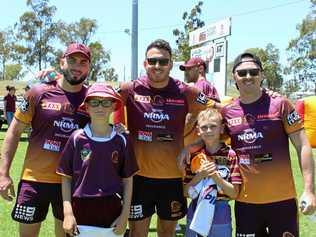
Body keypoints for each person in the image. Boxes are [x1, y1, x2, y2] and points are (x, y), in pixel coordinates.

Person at [179, 52, 316, 236]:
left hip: (282, 202)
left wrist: (308, 190)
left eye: (253, 72)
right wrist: (190, 147)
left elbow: (303, 146)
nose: (248, 76)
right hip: (246, 203)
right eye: (242, 73)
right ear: (234, 77)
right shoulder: (228, 111)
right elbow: (212, 134)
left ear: (261, 75)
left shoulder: (281, 104)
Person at [115, 39, 219, 237]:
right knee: (137, 233)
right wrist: (113, 131)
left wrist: (192, 146)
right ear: (145, 63)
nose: (157, 66)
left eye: (163, 61)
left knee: (167, 232)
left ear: (171, 64)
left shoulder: (185, 91)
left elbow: (220, 112)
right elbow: (95, 101)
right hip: (138, 177)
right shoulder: (130, 89)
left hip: (172, 179)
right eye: (152, 61)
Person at [0, 42, 92, 237]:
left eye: (83, 62)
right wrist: (3, 173)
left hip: (72, 183)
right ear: (62, 63)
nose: (77, 66)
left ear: (89, 67)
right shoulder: (37, 92)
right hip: (34, 180)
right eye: (72, 60)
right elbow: (14, 132)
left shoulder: (92, 99)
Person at [57, 83, 139, 237]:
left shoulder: (122, 139)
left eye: (106, 102)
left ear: (113, 106)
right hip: (80, 208)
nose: (100, 107)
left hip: (112, 209)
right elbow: (66, 178)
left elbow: (128, 180)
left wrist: (124, 216)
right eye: (94, 102)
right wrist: (68, 213)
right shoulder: (76, 138)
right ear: (86, 107)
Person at [183, 108, 241, 237]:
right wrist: (200, 176)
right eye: (204, 127)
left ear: (221, 129)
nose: (208, 131)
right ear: (198, 130)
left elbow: (234, 193)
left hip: (220, 213)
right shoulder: (194, 156)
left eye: (213, 126)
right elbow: (186, 192)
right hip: (196, 210)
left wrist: (215, 176)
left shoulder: (230, 155)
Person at [179, 57, 221, 147]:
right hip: (206, 142)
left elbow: (193, 114)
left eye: (189, 69)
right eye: (185, 70)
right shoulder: (208, 85)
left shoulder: (199, 86)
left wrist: (180, 135)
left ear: (200, 69)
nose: (186, 73)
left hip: (195, 142)